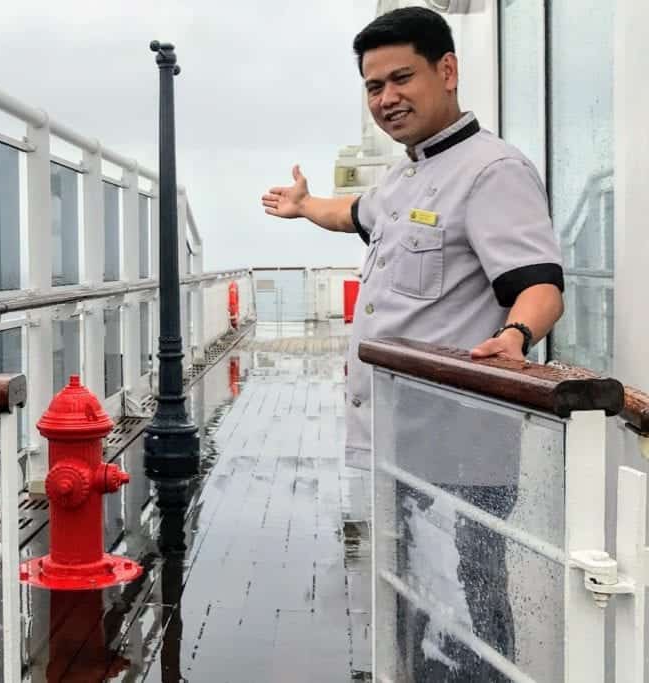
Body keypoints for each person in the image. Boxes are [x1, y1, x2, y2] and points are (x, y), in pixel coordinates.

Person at [261, 7, 565, 679]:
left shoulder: (492, 172)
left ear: (447, 70)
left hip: (461, 449)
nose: (387, 98)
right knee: (414, 610)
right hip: (398, 445)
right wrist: (305, 206)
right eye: (374, 86)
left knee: (466, 620)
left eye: (402, 78)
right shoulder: (403, 179)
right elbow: (355, 215)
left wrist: (515, 335)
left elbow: (541, 283)